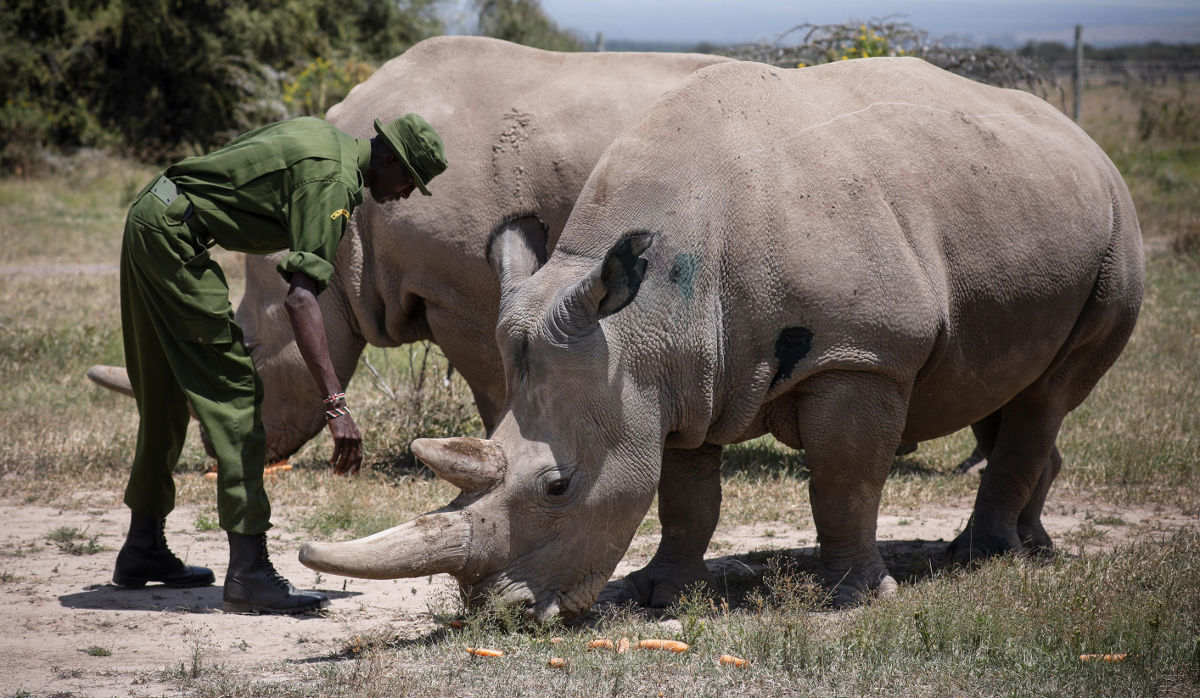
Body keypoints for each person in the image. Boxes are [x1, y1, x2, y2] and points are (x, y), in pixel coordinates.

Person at [111, 114, 447, 614]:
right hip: (173, 240)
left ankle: (143, 549)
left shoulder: (325, 137)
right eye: (409, 181)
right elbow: (301, 301)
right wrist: (336, 405)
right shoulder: (333, 183)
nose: (405, 195)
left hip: (150, 217)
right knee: (238, 398)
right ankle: (250, 573)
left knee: (163, 397)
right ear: (391, 160)